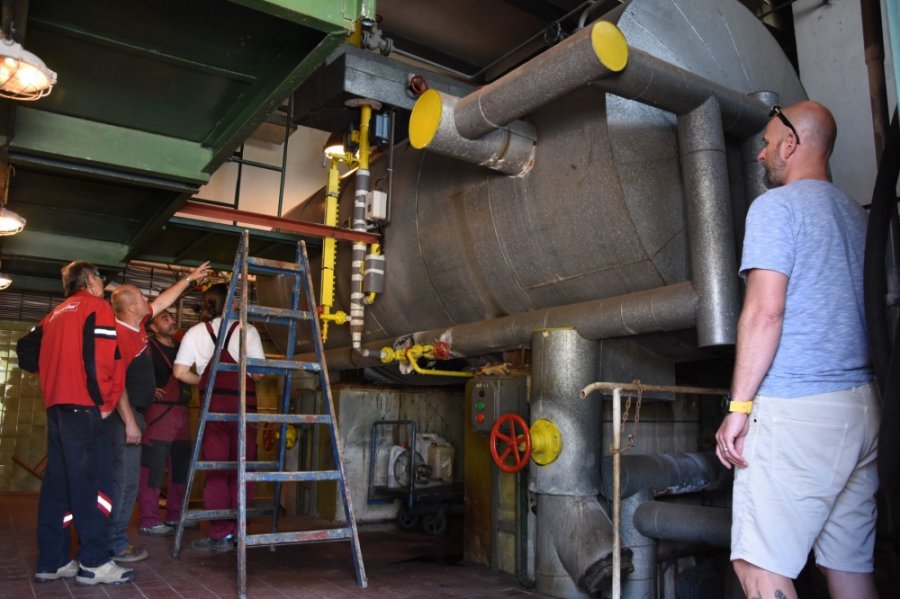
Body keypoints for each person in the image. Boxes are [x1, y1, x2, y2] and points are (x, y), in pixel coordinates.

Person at [715, 101, 879, 599]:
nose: (761, 155)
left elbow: (765, 312)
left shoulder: (775, 208)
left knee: (758, 568)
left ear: (791, 144)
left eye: (767, 144)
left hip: (798, 412)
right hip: (862, 409)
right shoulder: (860, 218)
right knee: (847, 569)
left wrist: (739, 407)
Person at [33, 261, 134, 586]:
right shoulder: (96, 307)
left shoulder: (54, 314)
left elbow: (26, 352)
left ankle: (53, 561)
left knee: (57, 487)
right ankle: (95, 562)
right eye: (100, 277)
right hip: (85, 408)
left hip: (56, 408)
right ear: (89, 279)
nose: (103, 282)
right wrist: (104, 403)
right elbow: (102, 358)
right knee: (91, 486)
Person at [105, 262, 209, 564]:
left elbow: (164, 300)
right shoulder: (124, 336)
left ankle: (172, 515)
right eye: (140, 298)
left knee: (178, 467)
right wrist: (131, 417)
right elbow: (116, 380)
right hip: (146, 417)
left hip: (176, 416)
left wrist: (188, 279)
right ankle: (138, 526)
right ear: (128, 307)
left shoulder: (165, 341)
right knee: (139, 476)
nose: (149, 303)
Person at [173, 283, 265, 552]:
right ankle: (240, 532)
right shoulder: (247, 330)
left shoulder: (194, 333)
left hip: (212, 411)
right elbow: (258, 374)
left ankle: (219, 532)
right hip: (243, 411)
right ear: (231, 302)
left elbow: (179, 372)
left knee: (215, 471)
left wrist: (202, 379)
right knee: (242, 470)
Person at [136, 309, 194, 536]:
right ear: (152, 327)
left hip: (182, 414)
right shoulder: (147, 347)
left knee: (180, 468)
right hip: (158, 415)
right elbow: (130, 372)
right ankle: (149, 519)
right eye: (165, 318)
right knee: (152, 468)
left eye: (172, 317)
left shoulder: (183, 348)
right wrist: (147, 390)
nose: (172, 321)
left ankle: (175, 516)